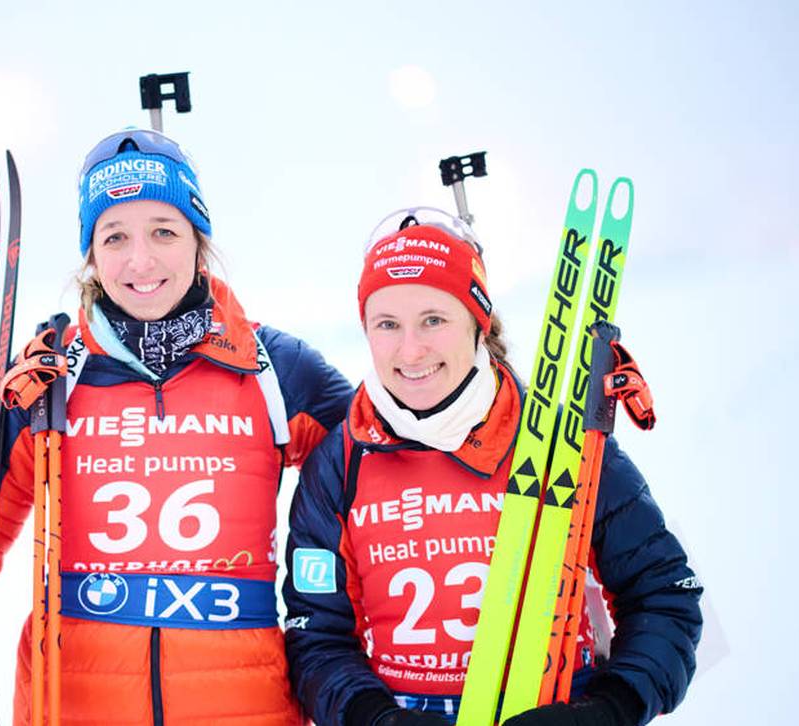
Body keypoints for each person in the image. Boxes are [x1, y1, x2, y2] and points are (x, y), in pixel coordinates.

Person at [0, 128, 354, 725]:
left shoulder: (274, 369)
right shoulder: (49, 380)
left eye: (164, 230)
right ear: (90, 253)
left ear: (197, 239)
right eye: (115, 237)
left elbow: (389, 478)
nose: (141, 260)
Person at [281, 209, 702, 726]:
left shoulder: (559, 442)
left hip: (553, 701)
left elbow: (663, 593)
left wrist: (609, 708)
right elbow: (316, 637)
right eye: (387, 324)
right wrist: (374, 718)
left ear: (478, 323)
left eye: (434, 319)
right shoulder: (340, 464)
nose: (410, 350)